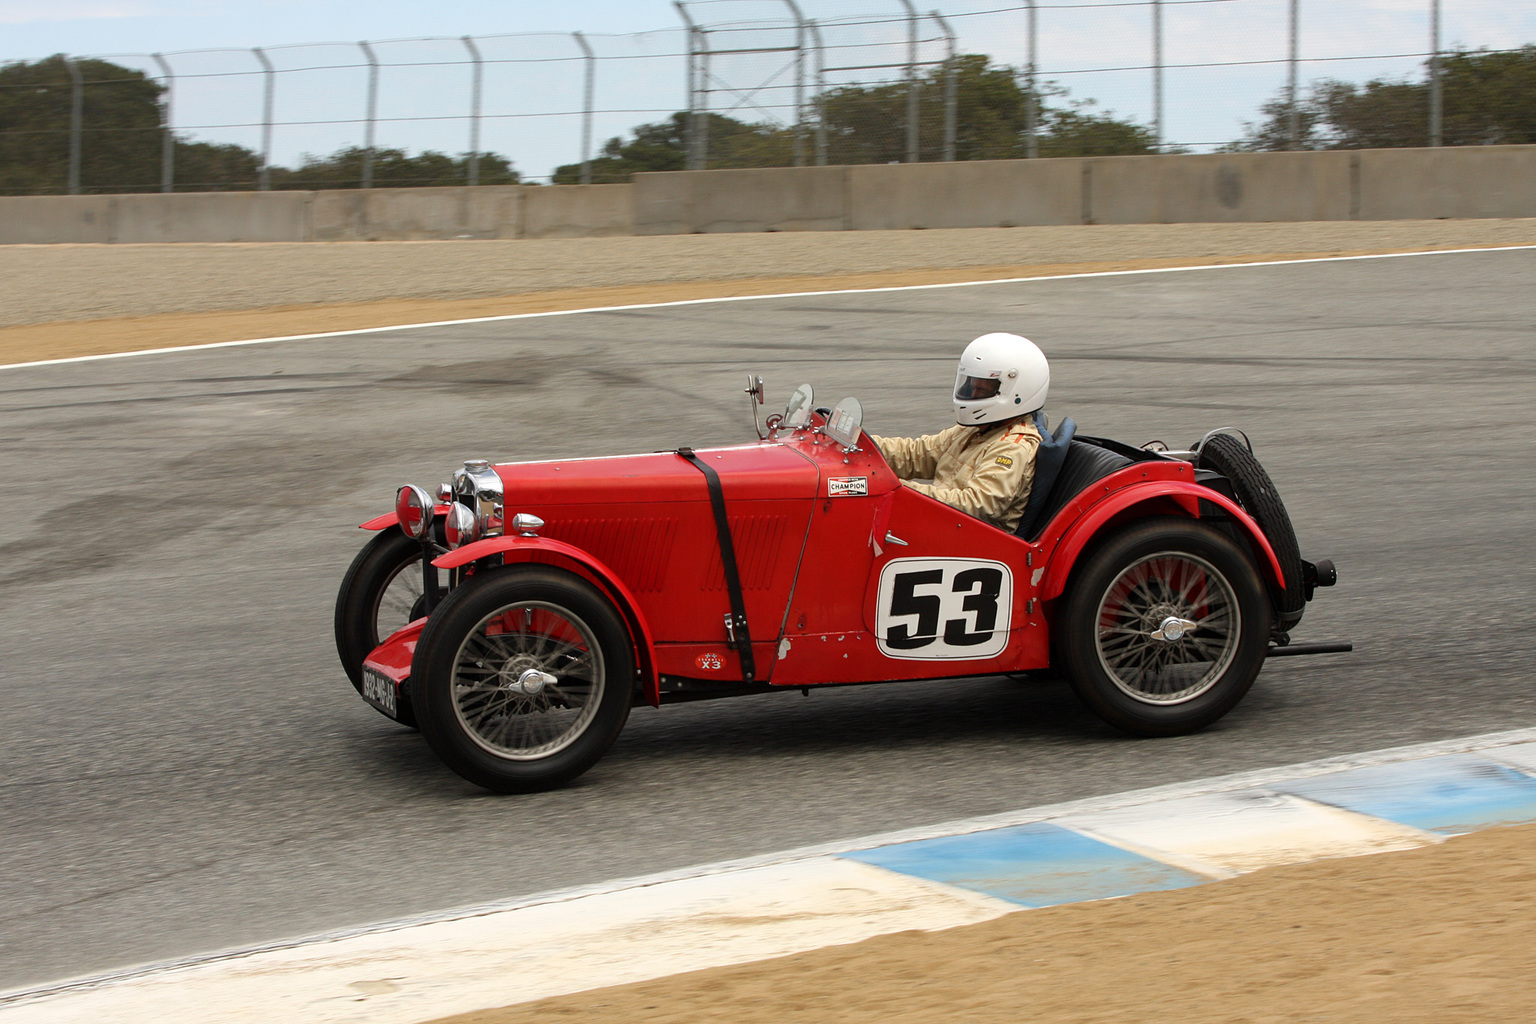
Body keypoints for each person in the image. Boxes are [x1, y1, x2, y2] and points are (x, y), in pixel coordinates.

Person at [870, 333, 1048, 533]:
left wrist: (896, 489)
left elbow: (976, 505)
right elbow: (916, 454)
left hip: (969, 538)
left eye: (981, 389)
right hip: (942, 525)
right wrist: (864, 444)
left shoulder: (1013, 447)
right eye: (971, 385)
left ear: (1015, 391)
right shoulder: (975, 430)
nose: (972, 394)